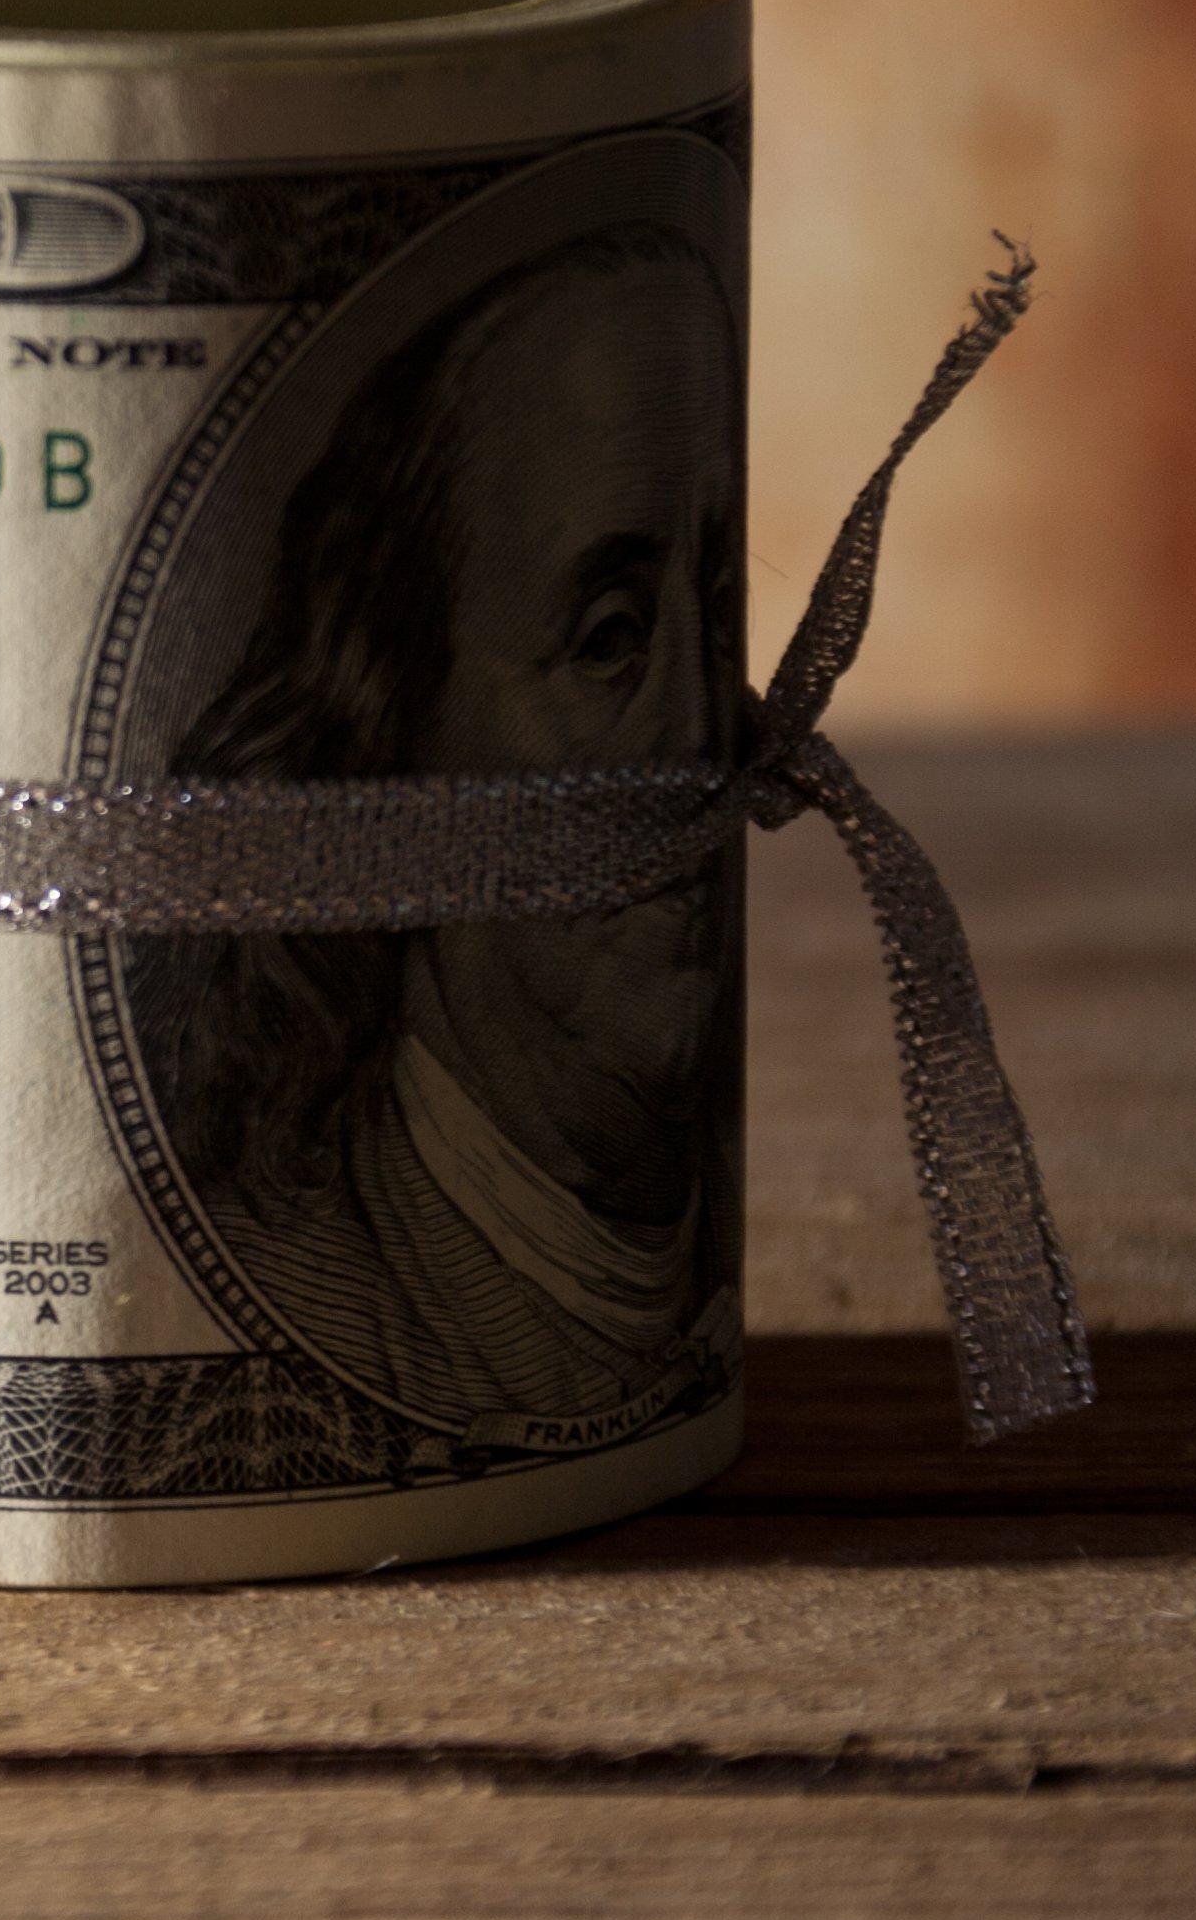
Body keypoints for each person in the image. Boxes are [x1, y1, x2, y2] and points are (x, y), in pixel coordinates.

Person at [143, 220, 745, 1441]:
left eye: (721, 604)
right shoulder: (319, 1283)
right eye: (610, 635)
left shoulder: (704, 1230)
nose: (704, 726)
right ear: (398, 727)